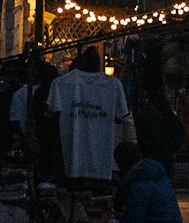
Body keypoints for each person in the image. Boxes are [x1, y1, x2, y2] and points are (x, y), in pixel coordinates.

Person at [46, 46, 132, 186]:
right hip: (101, 164)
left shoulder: (61, 84)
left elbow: (53, 115)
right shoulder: (113, 85)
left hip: (72, 161)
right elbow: (120, 117)